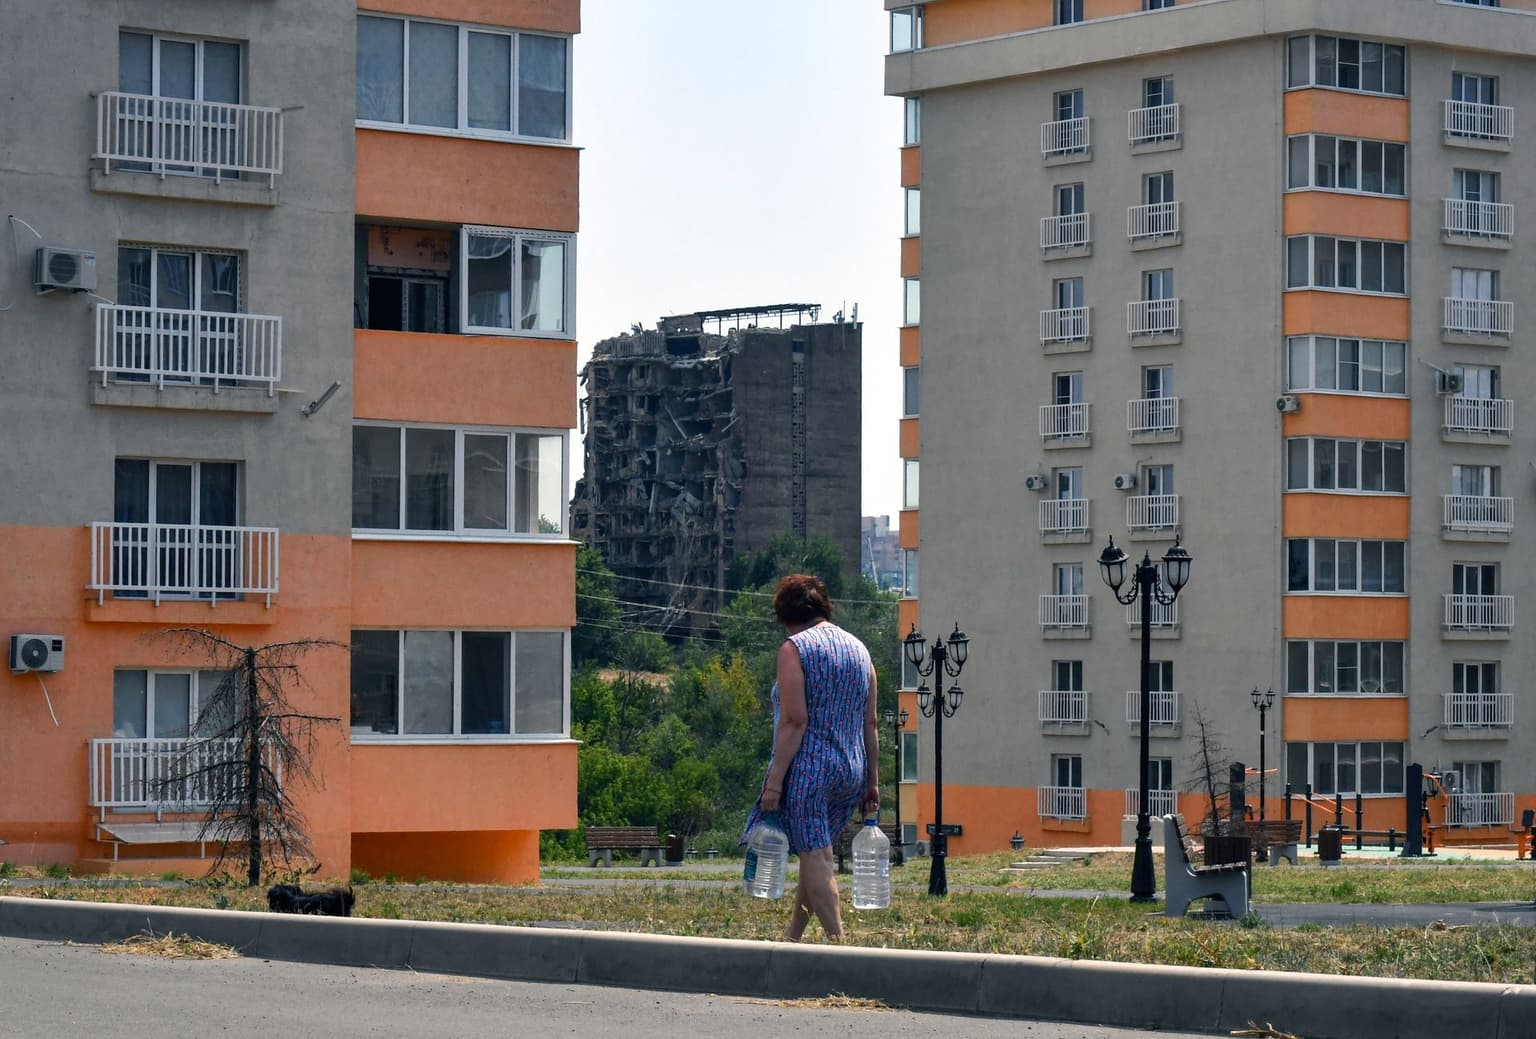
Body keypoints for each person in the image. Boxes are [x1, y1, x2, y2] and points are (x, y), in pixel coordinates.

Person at [744, 573, 878, 941]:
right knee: (812, 852)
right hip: (851, 769)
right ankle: (792, 940)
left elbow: (794, 720)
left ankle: (840, 946)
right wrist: (873, 782)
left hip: (810, 770)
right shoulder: (859, 650)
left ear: (785, 614)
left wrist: (773, 782)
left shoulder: (795, 649)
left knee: (818, 857)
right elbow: (871, 722)